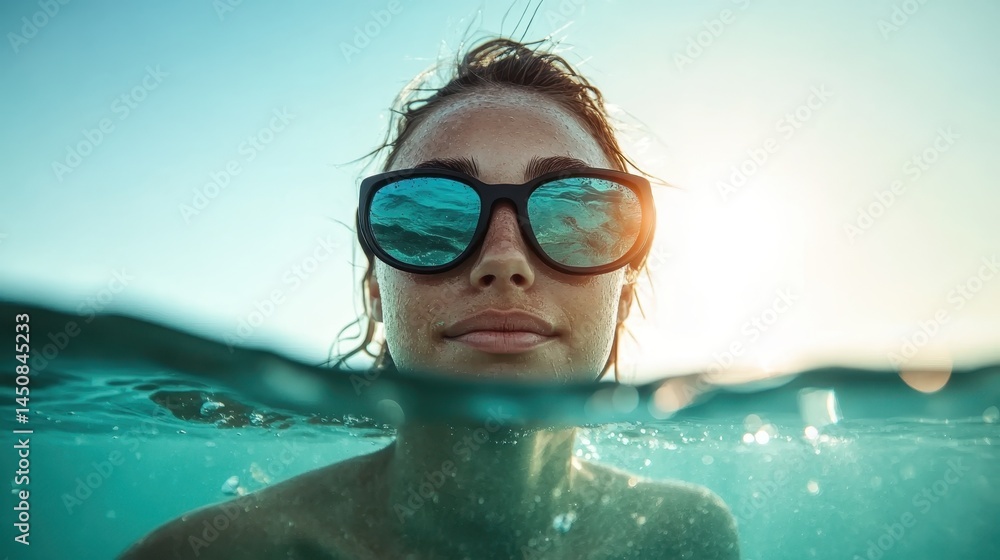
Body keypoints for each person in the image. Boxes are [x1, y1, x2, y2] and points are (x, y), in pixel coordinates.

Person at [119, 37, 740, 560]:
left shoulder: (683, 535)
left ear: (622, 298)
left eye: (575, 216)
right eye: (429, 220)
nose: (504, 260)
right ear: (377, 295)